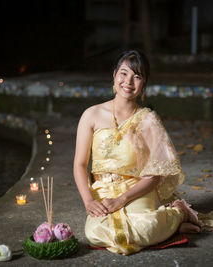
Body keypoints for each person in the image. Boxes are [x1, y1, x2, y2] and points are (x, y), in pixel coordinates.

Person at [73, 50, 202, 255]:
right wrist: (89, 200)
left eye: (137, 76)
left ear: (144, 85)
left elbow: (155, 175)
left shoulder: (148, 120)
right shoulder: (91, 114)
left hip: (137, 189)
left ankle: (178, 214)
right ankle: (170, 227)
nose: (129, 82)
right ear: (114, 75)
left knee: (145, 228)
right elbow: (80, 164)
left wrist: (121, 200)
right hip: (103, 189)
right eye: (124, 73)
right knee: (94, 232)